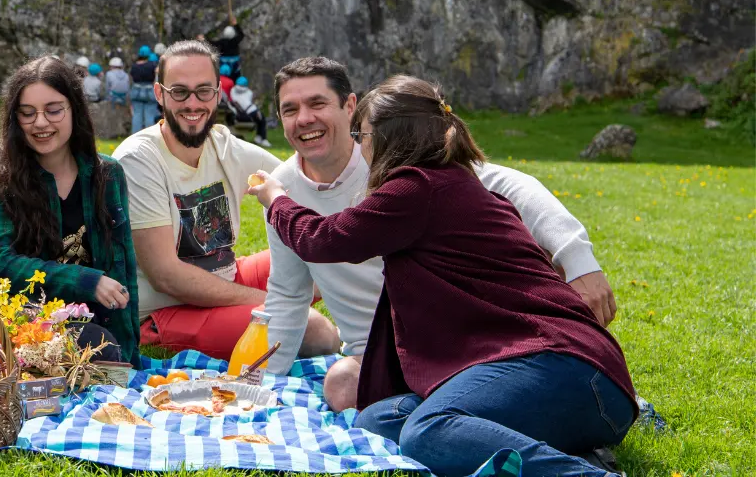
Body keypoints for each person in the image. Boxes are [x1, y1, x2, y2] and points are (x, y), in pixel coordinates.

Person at [248, 75, 636, 477]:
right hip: (559, 380)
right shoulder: (448, 179)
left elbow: (322, 239)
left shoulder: (414, 187)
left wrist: (276, 199)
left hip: (570, 367)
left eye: (360, 134)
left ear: (385, 137)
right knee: (377, 420)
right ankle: (566, 453)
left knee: (425, 432)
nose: (360, 145)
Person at [112, 40, 340, 360]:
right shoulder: (138, 159)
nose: (193, 103)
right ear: (159, 94)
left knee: (329, 259)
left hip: (225, 277)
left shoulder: (221, 143)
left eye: (204, 91)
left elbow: (298, 178)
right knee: (316, 333)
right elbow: (166, 276)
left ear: (219, 93)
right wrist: (272, 300)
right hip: (167, 310)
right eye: (180, 92)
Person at [0, 55, 140, 367]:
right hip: (5, 308)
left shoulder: (108, 173)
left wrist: (129, 359)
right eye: (27, 113)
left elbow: (121, 266)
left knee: (102, 349)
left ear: (74, 110)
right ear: (14, 118)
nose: (40, 123)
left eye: (53, 110)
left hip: (79, 319)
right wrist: (85, 281)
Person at [229, 76, 272, 147]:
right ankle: (263, 139)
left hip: (243, 113)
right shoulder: (248, 92)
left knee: (261, 120)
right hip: (251, 111)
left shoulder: (233, 90)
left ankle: (259, 137)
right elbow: (250, 102)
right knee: (262, 120)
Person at [202, 16, 244, 80]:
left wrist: (204, 39)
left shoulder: (222, 42)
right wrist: (235, 24)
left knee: (224, 78)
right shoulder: (235, 41)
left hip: (224, 63)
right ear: (233, 34)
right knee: (235, 77)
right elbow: (241, 35)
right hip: (235, 63)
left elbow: (212, 43)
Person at [130, 46, 159, 134]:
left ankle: (135, 137)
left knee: (137, 116)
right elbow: (155, 80)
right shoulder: (153, 65)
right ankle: (149, 138)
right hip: (149, 91)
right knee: (149, 116)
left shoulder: (134, 66)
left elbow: (132, 79)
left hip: (136, 91)